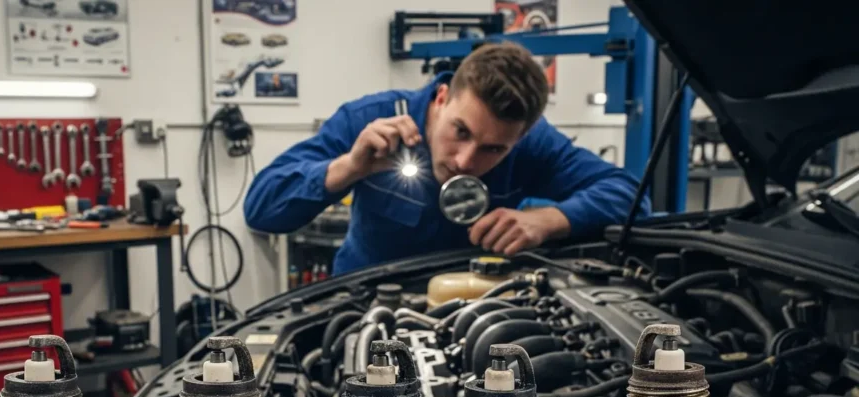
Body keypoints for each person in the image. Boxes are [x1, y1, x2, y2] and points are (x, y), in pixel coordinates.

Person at [243, 42, 648, 275]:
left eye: (493, 149)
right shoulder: (369, 121)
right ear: (441, 99)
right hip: (361, 305)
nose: (467, 161)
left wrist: (549, 220)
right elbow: (261, 209)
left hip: (475, 311)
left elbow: (631, 197)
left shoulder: (533, 144)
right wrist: (347, 168)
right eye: (461, 132)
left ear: (520, 137)